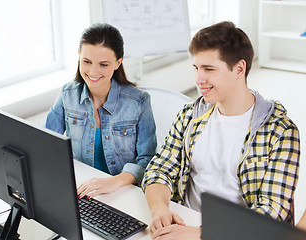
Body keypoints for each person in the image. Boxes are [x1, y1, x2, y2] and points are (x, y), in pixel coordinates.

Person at [141, 21, 300, 239]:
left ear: (239, 68)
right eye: (196, 68)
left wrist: (199, 234)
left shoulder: (280, 132)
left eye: (209, 69)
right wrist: (160, 209)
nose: (199, 79)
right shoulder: (190, 115)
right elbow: (159, 169)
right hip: (185, 225)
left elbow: (272, 212)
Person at [45, 23, 157, 199]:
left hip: (122, 192)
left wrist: (114, 182)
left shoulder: (139, 102)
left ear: (118, 62)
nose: (93, 71)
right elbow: (46, 144)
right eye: (86, 62)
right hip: (80, 189)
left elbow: (148, 160)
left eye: (103, 64)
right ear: (79, 57)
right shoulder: (68, 95)